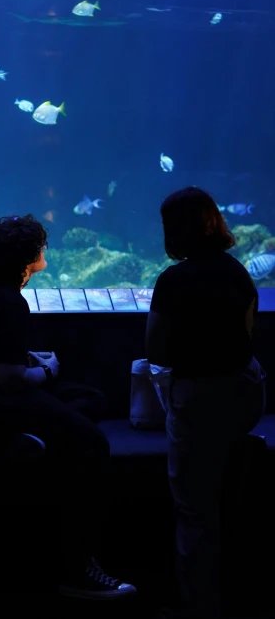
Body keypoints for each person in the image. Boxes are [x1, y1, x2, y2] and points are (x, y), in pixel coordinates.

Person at [0, 214, 136, 600]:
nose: (45, 250)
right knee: (91, 442)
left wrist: (26, 357)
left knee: (89, 398)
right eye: (40, 246)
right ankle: (75, 566)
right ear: (27, 257)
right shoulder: (10, 301)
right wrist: (46, 370)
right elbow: (9, 380)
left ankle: (17, 438)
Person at [146, 187, 266, 619]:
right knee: (233, 491)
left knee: (195, 509)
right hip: (244, 391)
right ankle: (245, 593)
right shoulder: (238, 272)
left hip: (199, 399)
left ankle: (200, 608)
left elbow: (155, 350)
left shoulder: (173, 280)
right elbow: (248, 332)